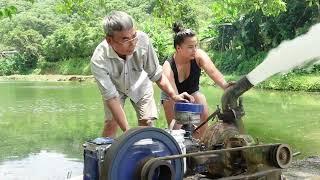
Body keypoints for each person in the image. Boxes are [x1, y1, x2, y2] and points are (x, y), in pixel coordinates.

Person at [91, 11, 194, 138]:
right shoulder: (99, 60)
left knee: (147, 121)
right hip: (115, 89)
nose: (132, 43)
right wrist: (128, 134)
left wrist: (174, 95)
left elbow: (156, 74)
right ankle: (104, 157)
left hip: (140, 83)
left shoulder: (143, 40)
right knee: (111, 123)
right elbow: (112, 98)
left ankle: (147, 156)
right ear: (109, 40)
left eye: (134, 36)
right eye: (125, 39)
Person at [161, 23, 230, 139]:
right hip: (172, 95)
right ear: (178, 48)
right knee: (177, 128)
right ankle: (179, 149)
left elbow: (213, 72)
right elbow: (176, 98)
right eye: (190, 47)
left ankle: (199, 144)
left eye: (195, 46)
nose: (194, 50)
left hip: (192, 92)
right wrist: (188, 120)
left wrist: (226, 86)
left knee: (201, 100)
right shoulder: (168, 67)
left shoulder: (199, 56)